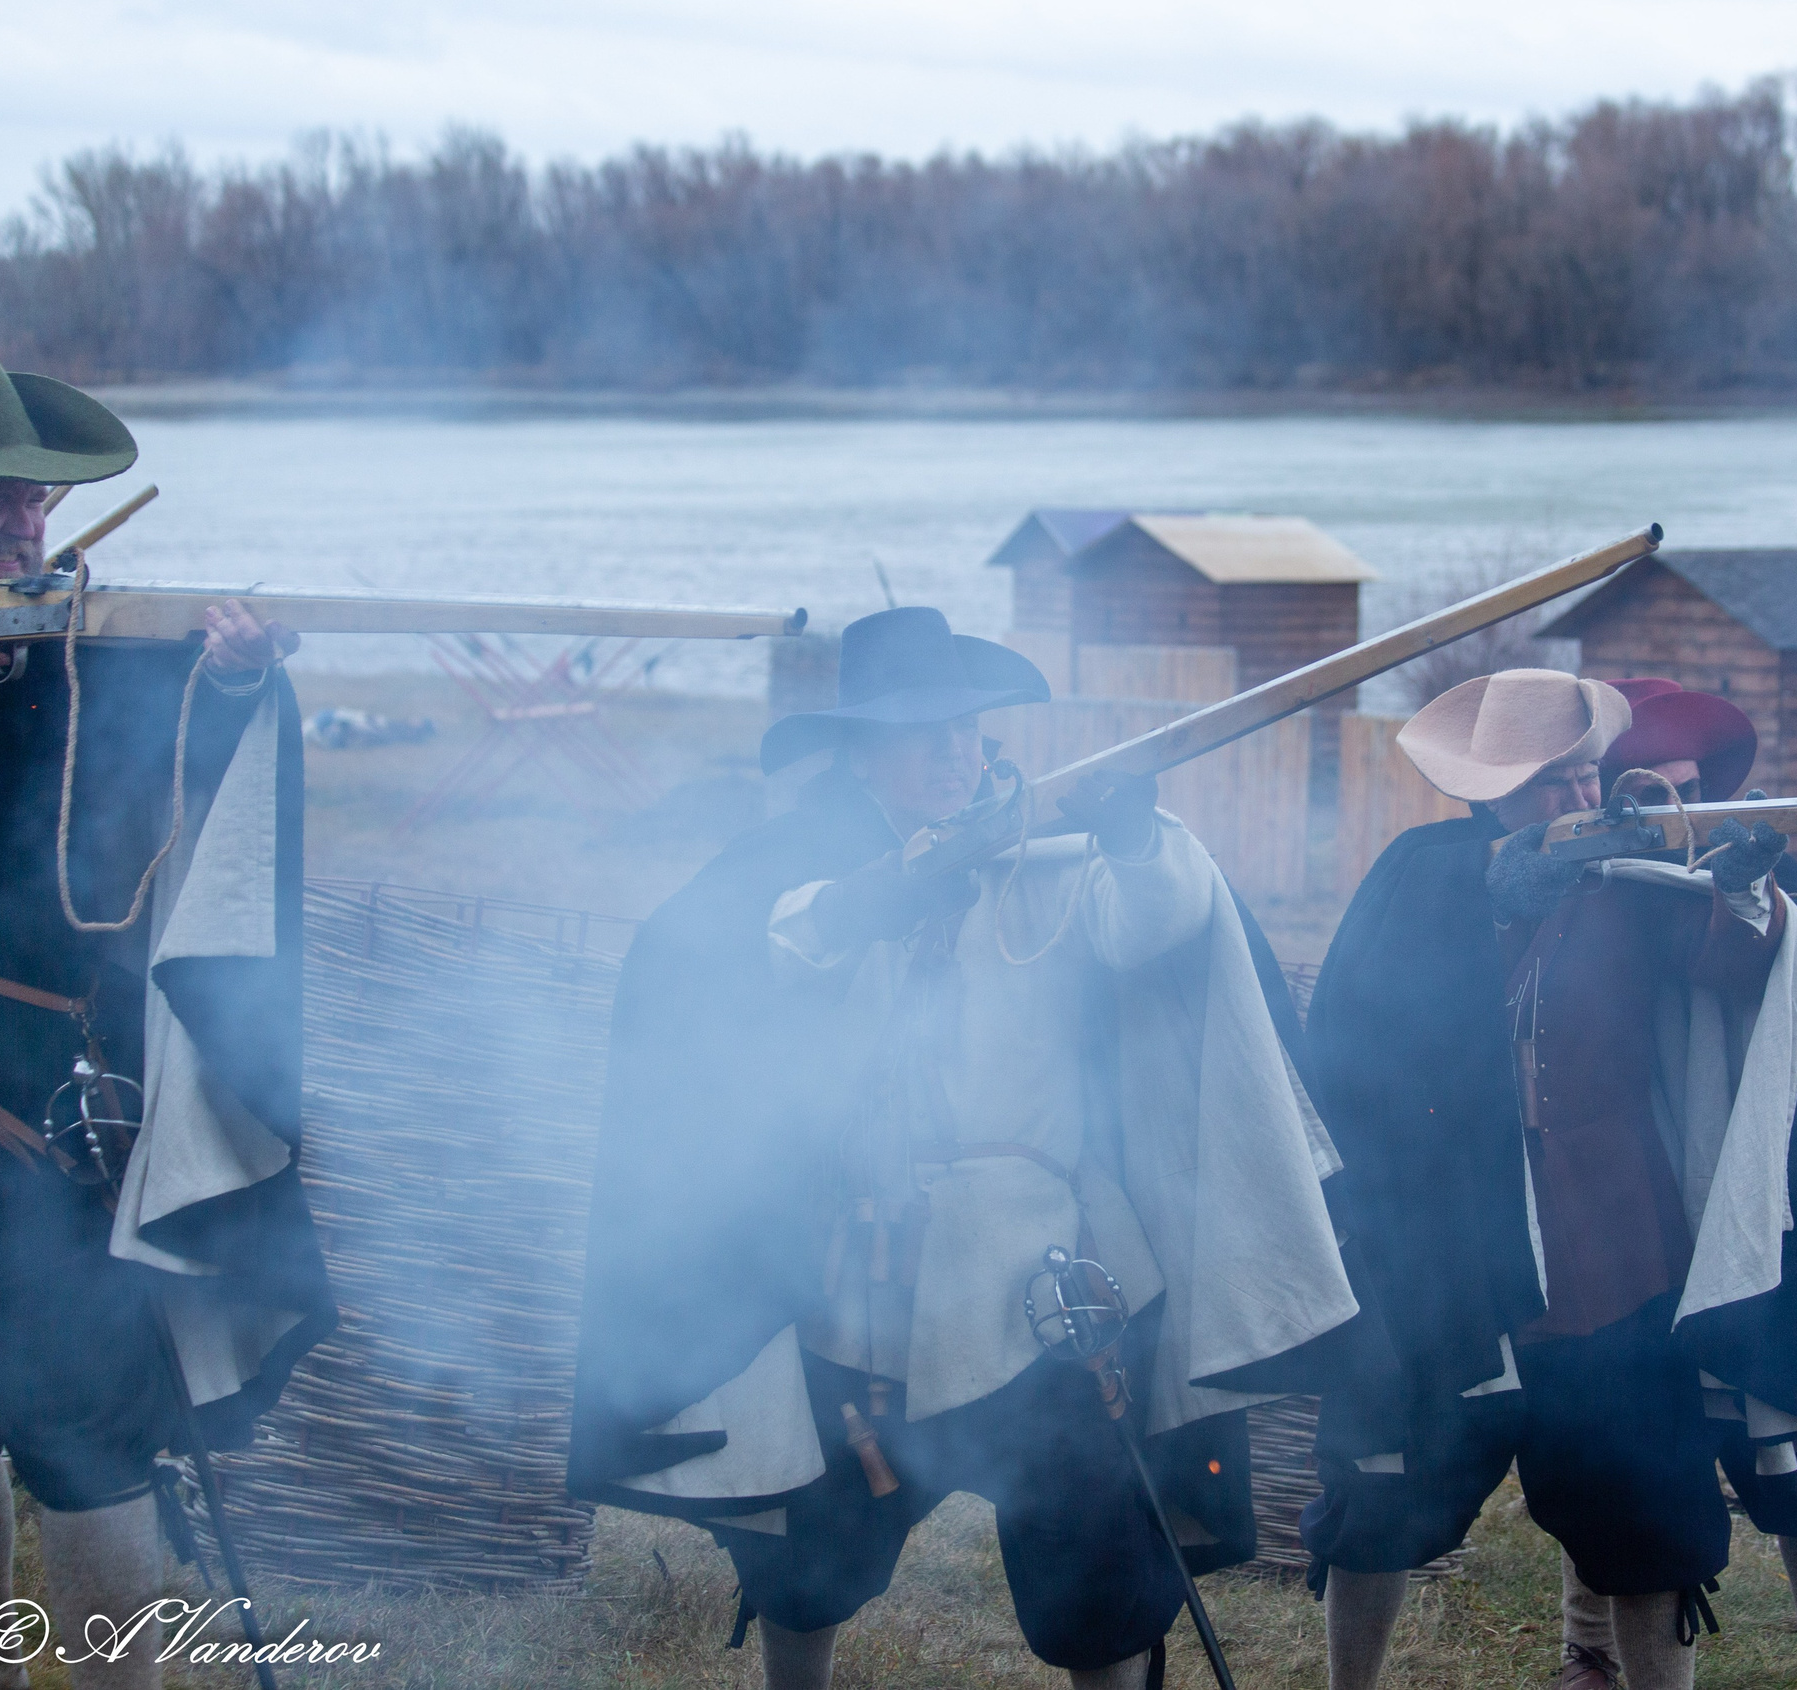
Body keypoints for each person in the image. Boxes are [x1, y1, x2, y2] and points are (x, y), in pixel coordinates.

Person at [569, 606, 1357, 1690]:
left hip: (1048, 1283)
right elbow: (765, 945)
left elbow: (1158, 917)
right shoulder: (814, 873)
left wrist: (1131, 832)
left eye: (967, 727)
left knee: (1102, 1570)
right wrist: (880, 895)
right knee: (806, 1553)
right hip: (861, 1276)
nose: (955, 749)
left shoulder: (1057, 852)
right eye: (919, 730)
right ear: (858, 751)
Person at [1304, 670, 1797, 1690]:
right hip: (1451, 1250)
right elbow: (1352, 1028)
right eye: (1554, 780)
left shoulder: (1625, 876)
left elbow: (1743, 973)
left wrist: (1744, 891)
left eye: (1581, 773)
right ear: (1497, 788)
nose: (1579, 797)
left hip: (1611, 1241)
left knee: (1649, 1505)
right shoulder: (1424, 872)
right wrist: (1490, 897)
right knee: (1380, 1490)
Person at [0, 337, 332, 1690]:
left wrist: (227, 683)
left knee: (87, 1421)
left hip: (40, 1093)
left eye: (38, 499)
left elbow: (163, 772)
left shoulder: (74, 637)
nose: (30, 524)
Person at [1553, 676, 1797, 1690]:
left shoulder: (1769, 875)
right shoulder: (1579, 886)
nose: (1678, 807)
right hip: (1628, 1215)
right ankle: (1587, 1646)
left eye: (1692, 785)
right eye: (1651, 784)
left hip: (1764, 1205)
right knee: (1620, 1458)